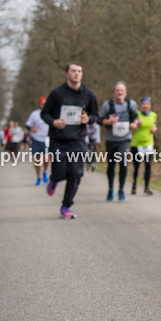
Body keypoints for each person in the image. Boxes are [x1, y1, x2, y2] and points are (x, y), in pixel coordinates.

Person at [41, 62, 99, 219]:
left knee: (76, 173)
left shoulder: (89, 94)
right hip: (58, 140)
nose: (77, 74)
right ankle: (53, 180)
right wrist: (53, 122)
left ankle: (66, 206)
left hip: (78, 140)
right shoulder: (56, 93)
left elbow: (96, 115)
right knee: (60, 172)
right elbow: (44, 114)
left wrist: (88, 118)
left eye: (79, 71)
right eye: (73, 71)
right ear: (66, 73)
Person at [97, 82, 138, 202]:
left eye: (122, 91)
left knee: (123, 162)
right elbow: (98, 119)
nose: (120, 93)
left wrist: (134, 124)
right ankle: (110, 189)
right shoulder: (107, 105)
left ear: (125, 92)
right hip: (111, 140)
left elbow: (135, 117)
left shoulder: (131, 104)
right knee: (111, 165)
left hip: (125, 139)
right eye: (117, 90)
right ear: (113, 92)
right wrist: (108, 122)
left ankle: (121, 189)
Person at [131, 96, 158, 195]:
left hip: (148, 144)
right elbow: (132, 129)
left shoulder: (153, 115)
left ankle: (146, 187)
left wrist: (155, 129)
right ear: (141, 105)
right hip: (136, 144)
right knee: (136, 166)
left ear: (150, 106)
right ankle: (134, 185)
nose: (145, 106)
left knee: (148, 166)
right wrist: (136, 125)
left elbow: (154, 126)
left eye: (147, 104)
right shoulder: (136, 115)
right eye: (144, 104)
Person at [25, 97, 50, 186]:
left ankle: (45, 172)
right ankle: (38, 177)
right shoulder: (34, 114)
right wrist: (32, 129)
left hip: (47, 139)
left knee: (47, 158)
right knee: (37, 160)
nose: (44, 105)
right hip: (36, 139)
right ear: (39, 105)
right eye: (42, 103)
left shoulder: (51, 113)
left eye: (45, 103)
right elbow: (28, 124)